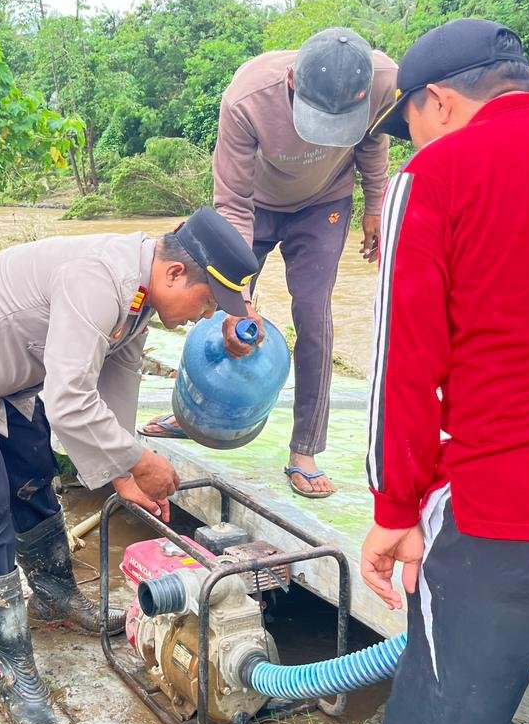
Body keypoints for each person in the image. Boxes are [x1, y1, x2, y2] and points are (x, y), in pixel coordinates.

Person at [0, 207, 259, 724]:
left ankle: (54, 594)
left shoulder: (139, 296)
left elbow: (116, 381)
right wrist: (140, 460)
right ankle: (11, 673)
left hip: (3, 375)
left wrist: (122, 474)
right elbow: (69, 400)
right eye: (208, 302)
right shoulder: (99, 279)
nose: (206, 316)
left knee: (32, 476)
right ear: (175, 273)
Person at [328, 19, 529, 724]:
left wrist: (395, 508)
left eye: (407, 122)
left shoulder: (439, 175)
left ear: (439, 102)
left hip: (504, 504)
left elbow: (405, 364)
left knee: (443, 678)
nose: (409, 141)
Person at [143, 27, 396, 498]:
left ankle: (305, 449)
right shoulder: (247, 98)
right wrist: (238, 294)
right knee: (217, 300)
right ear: (293, 81)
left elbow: (373, 141)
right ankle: (190, 415)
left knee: (314, 314)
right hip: (254, 206)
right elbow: (233, 205)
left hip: (325, 202)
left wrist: (376, 206)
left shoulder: (381, 80)